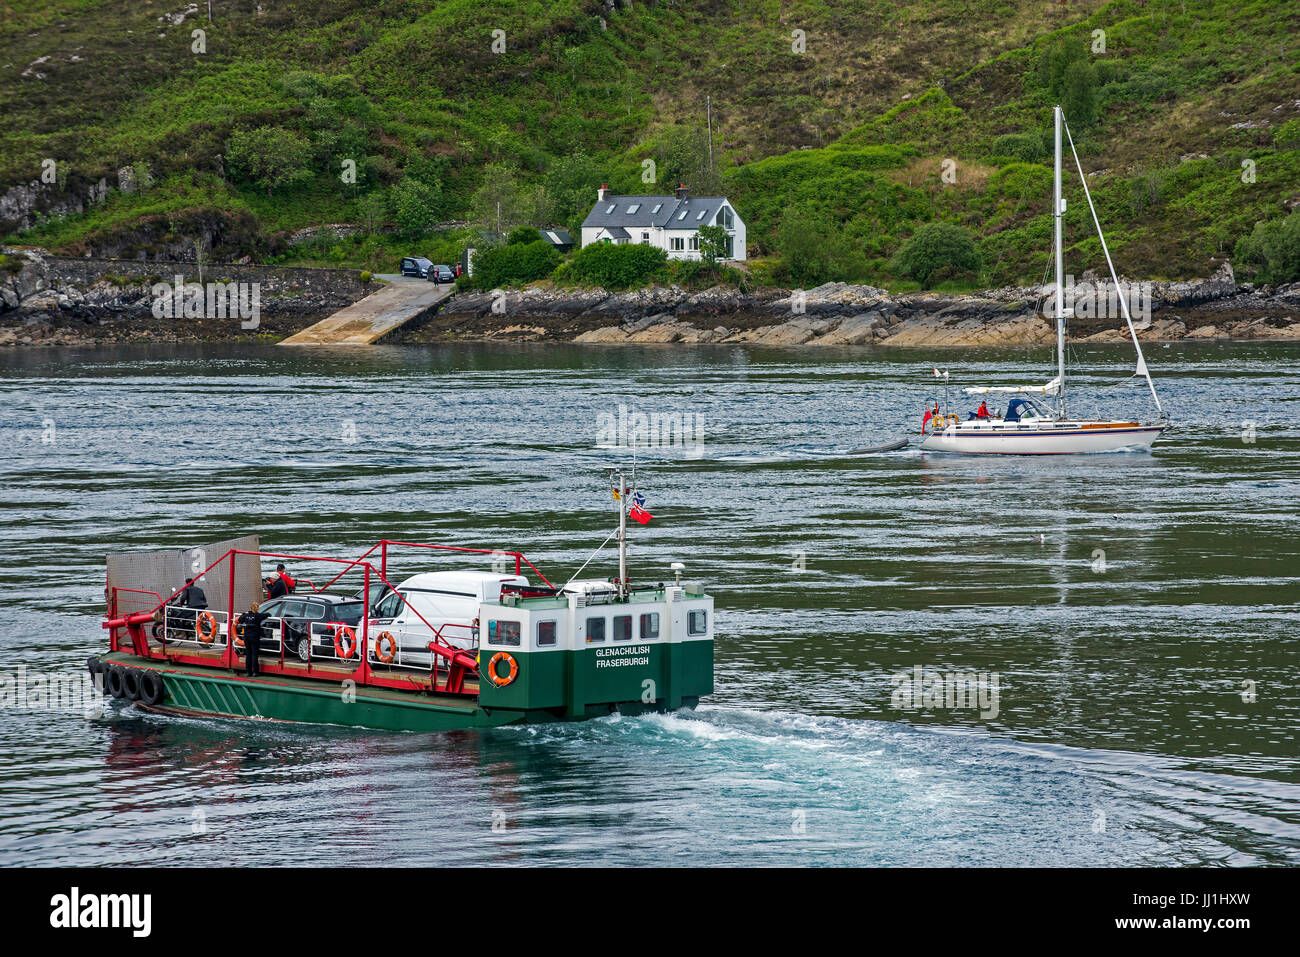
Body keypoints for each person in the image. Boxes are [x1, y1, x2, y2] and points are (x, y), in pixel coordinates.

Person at [235, 602, 271, 677]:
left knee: (248, 655)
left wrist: (244, 613)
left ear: (251, 608)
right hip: (254, 637)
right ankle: (255, 672)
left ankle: (248, 672)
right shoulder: (258, 616)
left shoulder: (246, 615)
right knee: (254, 654)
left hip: (247, 637)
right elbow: (267, 614)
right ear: (257, 608)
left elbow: (240, 620)